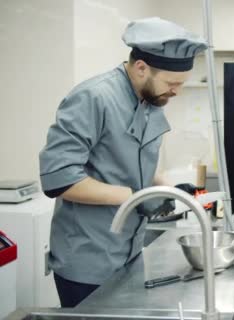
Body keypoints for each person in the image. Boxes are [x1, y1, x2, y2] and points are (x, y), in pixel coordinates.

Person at [39, 17, 207, 307]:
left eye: (181, 84)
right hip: (87, 259)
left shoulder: (151, 99)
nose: (176, 91)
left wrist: (168, 190)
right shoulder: (93, 97)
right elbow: (59, 178)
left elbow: (134, 165)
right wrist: (135, 198)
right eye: (171, 83)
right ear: (141, 68)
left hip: (130, 253)